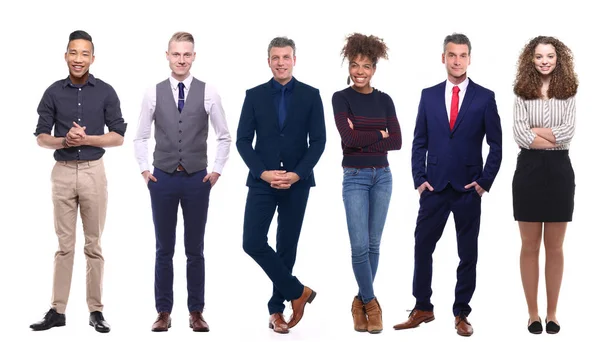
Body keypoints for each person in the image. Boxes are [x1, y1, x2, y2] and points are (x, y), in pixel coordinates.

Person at [393, 33, 502, 337]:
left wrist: (483, 182)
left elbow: (496, 145)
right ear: (443, 58)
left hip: (468, 188)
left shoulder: (484, 97)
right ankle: (423, 307)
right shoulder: (428, 95)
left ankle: (462, 313)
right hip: (435, 187)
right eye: (452, 55)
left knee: (467, 253)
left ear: (469, 58)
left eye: (463, 55)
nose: (457, 61)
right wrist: (419, 180)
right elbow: (419, 141)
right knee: (422, 247)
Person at [133, 31, 231, 332]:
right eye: (176, 54)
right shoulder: (153, 92)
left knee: (195, 249)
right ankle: (163, 311)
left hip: (196, 179)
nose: (181, 60)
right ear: (167, 55)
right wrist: (145, 171)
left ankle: (196, 311)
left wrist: (215, 171)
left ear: (194, 56)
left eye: (187, 54)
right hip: (161, 178)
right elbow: (140, 135)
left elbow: (224, 135)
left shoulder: (208, 91)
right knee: (164, 248)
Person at [30, 30, 127, 333]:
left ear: (92, 58)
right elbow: (41, 137)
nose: (78, 59)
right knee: (64, 245)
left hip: (93, 172)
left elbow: (119, 135)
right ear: (66, 55)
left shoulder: (106, 92)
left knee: (94, 244)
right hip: (61, 174)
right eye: (74, 52)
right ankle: (57, 310)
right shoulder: (53, 92)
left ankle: (95, 310)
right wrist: (64, 140)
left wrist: (88, 138)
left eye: (85, 54)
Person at [236, 36, 326, 334]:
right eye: (275, 57)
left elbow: (319, 142)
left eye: (286, 57)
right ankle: (298, 291)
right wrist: (262, 173)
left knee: (287, 246)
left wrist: (298, 174)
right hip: (262, 182)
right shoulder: (254, 95)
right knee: (252, 241)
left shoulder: (311, 95)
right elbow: (243, 141)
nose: (281, 62)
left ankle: (277, 311)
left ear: (294, 60)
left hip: (297, 183)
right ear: (268, 61)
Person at [331, 33, 402, 334]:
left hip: (383, 177)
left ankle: (359, 302)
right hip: (355, 178)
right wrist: (379, 136)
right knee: (359, 246)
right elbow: (348, 139)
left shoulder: (385, 100)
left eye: (366, 66)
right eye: (355, 65)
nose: (360, 72)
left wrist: (365, 136)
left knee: (374, 244)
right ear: (349, 66)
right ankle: (371, 304)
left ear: (374, 68)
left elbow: (397, 141)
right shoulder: (340, 98)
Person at [511, 36, 577, 335]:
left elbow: (567, 134)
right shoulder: (521, 93)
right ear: (531, 60)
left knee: (555, 246)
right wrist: (545, 134)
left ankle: (552, 313)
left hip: (560, 170)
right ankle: (533, 314)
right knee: (528, 245)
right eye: (539, 56)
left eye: (550, 56)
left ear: (558, 58)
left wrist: (536, 131)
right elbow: (519, 136)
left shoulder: (569, 93)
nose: (545, 61)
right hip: (528, 170)